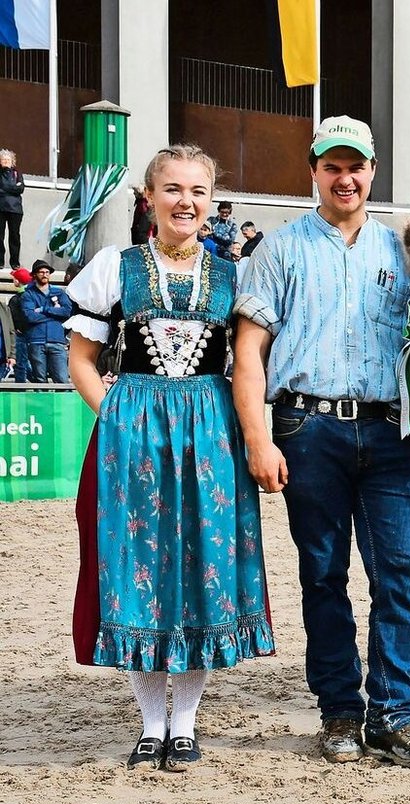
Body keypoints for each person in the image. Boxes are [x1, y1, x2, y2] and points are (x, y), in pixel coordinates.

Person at [232, 116, 410, 767]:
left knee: (401, 573)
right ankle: (340, 714)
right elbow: (249, 351)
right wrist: (259, 440)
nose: (345, 177)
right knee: (323, 575)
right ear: (314, 171)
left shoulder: (406, 254)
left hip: (391, 433)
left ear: (373, 171)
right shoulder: (279, 250)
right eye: (332, 166)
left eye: (356, 166)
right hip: (306, 429)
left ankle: (393, 713)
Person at [63, 144, 275, 772]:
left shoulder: (234, 276)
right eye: (174, 189)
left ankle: (186, 722)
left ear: (212, 203)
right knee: (139, 569)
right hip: (132, 442)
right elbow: (80, 359)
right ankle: (149, 723)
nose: (187, 202)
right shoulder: (114, 267)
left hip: (210, 437)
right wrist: (120, 415)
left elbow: (248, 363)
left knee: (202, 565)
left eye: (199, 192)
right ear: (149, 198)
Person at [19, 260, 74, 383]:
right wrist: (55, 315)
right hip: (36, 341)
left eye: (47, 272)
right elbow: (30, 316)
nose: (45, 274)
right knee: (40, 381)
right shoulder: (28, 295)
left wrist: (44, 309)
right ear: (34, 275)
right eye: (41, 272)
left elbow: (67, 312)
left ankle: (62, 403)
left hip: (57, 340)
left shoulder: (59, 293)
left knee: (62, 380)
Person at [7, 266, 31, 382]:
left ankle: (20, 391)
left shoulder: (15, 299)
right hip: (34, 334)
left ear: (17, 281)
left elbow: (13, 318)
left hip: (21, 335)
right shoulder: (34, 296)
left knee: (21, 364)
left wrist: (17, 328)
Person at [0, 149, 23, 271]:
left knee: (14, 236)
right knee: (0, 236)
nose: (5, 161)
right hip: (1, 208)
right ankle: (0, 261)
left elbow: (21, 189)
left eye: (8, 159)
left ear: (12, 161)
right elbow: (15, 188)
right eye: (3, 160)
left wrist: (5, 188)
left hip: (15, 210)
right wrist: (13, 188)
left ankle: (15, 262)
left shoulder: (17, 173)